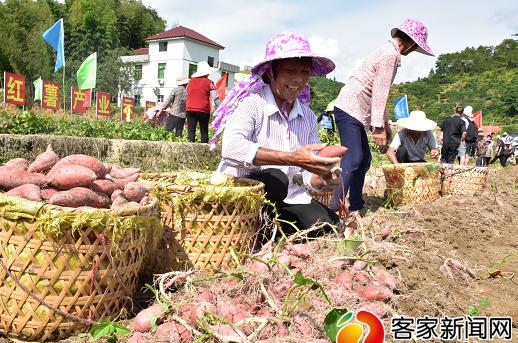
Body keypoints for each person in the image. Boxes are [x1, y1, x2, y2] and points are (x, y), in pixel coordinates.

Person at [211, 32, 341, 235]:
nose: (297, 79)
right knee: (276, 178)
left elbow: (307, 174)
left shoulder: (306, 115)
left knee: (328, 225)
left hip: (287, 197)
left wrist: (320, 178)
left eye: (304, 72)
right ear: (271, 73)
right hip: (246, 195)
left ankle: (270, 230)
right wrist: (293, 159)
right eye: (290, 71)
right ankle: (257, 229)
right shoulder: (252, 104)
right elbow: (231, 148)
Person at [332, 18, 434, 213]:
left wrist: (384, 123)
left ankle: (356, 204)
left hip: (356, 110)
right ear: (411, 42)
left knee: (364, 159)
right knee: (353, 159)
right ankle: (335, 209)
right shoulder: (390, 54)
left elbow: (379, 93)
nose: (413, 51)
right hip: (350, 108)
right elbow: (379, 91)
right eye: (415, 47)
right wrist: (378, 126)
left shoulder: (388, 52)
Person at [186, 61, 219, 143]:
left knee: (191, 130)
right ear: (207, 73)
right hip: (203, 110)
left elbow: (187, 94)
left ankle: (190, 150)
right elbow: (215, 97)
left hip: (190, 109)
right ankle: (204, 152)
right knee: (204, 131)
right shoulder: (209, 82)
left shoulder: (190, 81)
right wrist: (222, 107)